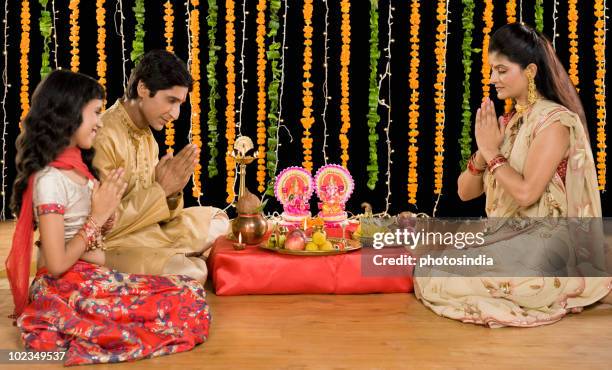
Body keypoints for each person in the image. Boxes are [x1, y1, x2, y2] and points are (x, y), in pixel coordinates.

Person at [6, 70, 211, 365]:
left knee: (190, 293)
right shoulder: (50, 179)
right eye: (95, 113)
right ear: (70, 114)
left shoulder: (80, 169)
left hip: (91, 273)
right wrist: (96, 219)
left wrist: (108, 216)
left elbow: (96, 239)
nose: (100, 122)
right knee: (174, 309)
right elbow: (55, 263)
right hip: (63, 288)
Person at [414, 23, 612, 327]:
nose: (493, 78)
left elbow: (526, 193)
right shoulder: (508, 122)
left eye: (502, 70)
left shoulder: (554, 122)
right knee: (433, 267)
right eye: (492, 70)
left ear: (530, 71)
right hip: (507, 237)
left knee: (458, 277)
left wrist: (492, 153)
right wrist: (483, 153)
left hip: (545, 244)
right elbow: (465, 192)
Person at [93, 50, 229, 283]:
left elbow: (161, 212)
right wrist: (161, 190)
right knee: (193, 273)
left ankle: (174, 255)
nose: (176, 114)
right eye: (171, 100)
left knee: (219, 220)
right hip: (112, 244)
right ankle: (177, 257)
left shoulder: (146, 136)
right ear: (143, 89)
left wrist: (173, 193)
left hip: (148, 230)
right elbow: (101, 226)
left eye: (180, 104)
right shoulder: (104, 136)